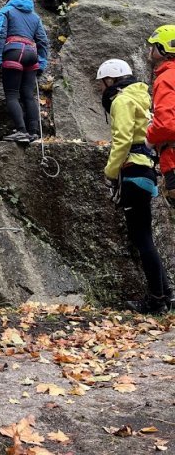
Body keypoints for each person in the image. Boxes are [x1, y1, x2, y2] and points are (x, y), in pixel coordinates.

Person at [97, 58, 172, 315]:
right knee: (145, 237)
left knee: (142, 239)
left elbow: (122, 140)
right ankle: (166, 294)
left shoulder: (122, 101)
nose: (101, 88)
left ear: (111, 80)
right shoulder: (142, 99)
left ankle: (156, 300)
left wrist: (110, 172)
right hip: (147, 170)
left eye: (102, 83)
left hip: (133, 171)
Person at [0, 0, 49, 143]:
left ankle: (21, 131)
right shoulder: (35, 17)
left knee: (12, 94)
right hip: (32, 55)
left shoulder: (6, 10)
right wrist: (41, 63)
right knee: (28, 95)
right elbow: (43, 42)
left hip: (14, 52)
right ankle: (33, 132)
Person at [146, 25, 175, 207]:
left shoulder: (166, 78)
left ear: (163, 49)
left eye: (154, 45)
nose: (150, 49)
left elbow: (166, 125)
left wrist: (149, 138)